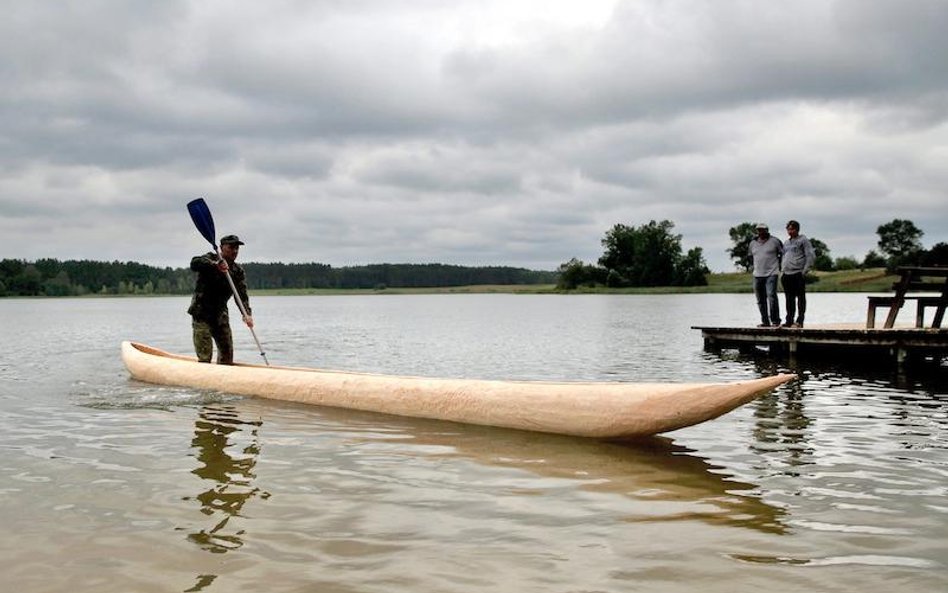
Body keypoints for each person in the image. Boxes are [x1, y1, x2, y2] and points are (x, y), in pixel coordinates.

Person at [188, 234, 254, 364]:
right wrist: (215, 264)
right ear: (222, 248)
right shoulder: (210, 259)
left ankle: (224, 376)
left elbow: (241, 295)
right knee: (205, 355)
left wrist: (246, 313)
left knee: (227, 354)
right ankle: (203, 373)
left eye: (236, 248)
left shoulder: (237, 271)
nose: (234, 251)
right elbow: (194, 263)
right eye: (231, 247)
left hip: (220, 314)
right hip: (202, 313)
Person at [780, 220, 816, 328]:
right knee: (789, 299)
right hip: (787, 274)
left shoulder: (803, 240)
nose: (790, 231)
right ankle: (789, 320)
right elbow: (783, 256)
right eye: (788, 229)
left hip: (798, 273)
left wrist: (804, 271)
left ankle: (800, 321)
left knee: (800, 298)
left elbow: (810, 256)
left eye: (792, 229)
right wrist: (782, 270)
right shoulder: (786, 243)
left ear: (797, 229)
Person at [749, 223, 783, 327]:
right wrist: (754, 267)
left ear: (767, 230)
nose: (760, 232)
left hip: (771, 273)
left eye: (763, 230)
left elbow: (783, 254)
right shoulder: (752, 243)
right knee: (760, 299)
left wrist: (779, 266)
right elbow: (750, 256)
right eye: (759, 230)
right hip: (757, 274)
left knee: (771, 296)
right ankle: (765, 322)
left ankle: (775, 321)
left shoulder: (775, 241)